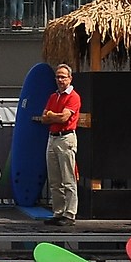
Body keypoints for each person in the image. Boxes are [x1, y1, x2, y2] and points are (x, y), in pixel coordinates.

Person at [40, 62, 81, 224]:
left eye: (63, 77)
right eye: (57, 77)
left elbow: (64, 118)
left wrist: (51, 115)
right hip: (53, 137)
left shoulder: (74, 97)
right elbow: (44, 118)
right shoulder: (53, 96)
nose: (60, 80)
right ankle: (58, 212)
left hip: (66, 138)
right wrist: (52, 115)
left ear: (70, 78)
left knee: (68, 178)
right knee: (55, 179)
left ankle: (70, 213)